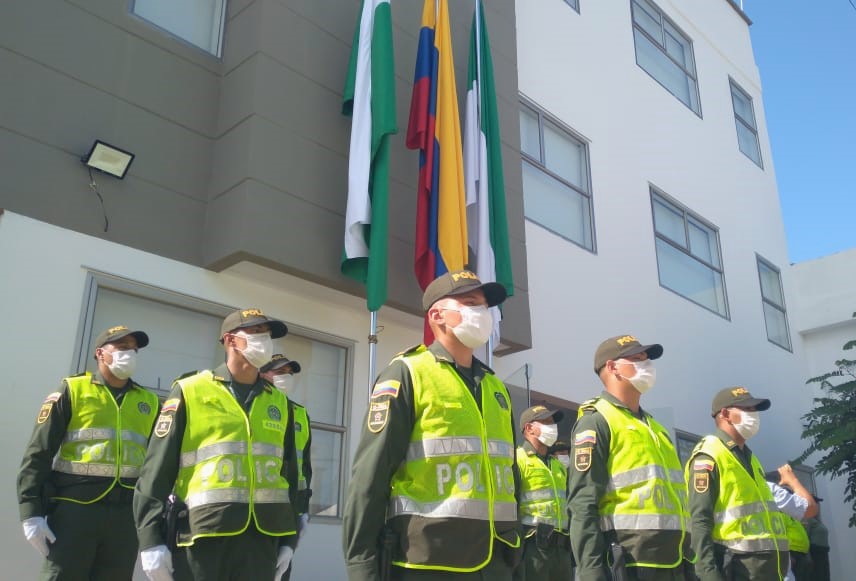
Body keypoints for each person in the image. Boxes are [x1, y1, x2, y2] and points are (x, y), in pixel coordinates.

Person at [342, 269, 521, 580]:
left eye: (484, 306)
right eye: (470, 303)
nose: (482, 314)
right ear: (438, 315)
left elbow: (510, 478)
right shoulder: (407, 374)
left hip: (498, 562)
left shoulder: (496, 388)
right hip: (429, 561)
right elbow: (370, 476)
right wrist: (362, 565)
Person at [133, 308, 299, 581]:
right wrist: (150, 539)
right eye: (256, 333)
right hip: (204, 536)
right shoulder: (190, 390)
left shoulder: (279, 402)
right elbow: (155, 471)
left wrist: (289, 540)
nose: (265, 341)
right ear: (231, 340)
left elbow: (290, 475)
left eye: (268, 335)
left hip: (263, 539)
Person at [17, 325, 159, 580]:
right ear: (100, 354)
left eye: (134, 350)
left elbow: (157, 463)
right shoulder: (73, 390)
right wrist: (31, 512)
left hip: (125, 517)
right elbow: (38, 453)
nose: (131, 354)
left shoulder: (148, 401)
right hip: (75, 511)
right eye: (123, 348)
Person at [568, 335, 692, 580]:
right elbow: (583, 504)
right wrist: (591, 570)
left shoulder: (656, 428)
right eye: (636, 359)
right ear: (613, 367)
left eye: (647, 359)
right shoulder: (597, 421)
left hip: (676, 561)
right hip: (631, 562)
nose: (647, 365)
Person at [686, 387, 792, 580]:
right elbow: (700, 521)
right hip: (738, 570)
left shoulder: (750, 458)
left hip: (767, 572)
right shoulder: (709, 455)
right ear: (725, 414)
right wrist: (709, 575)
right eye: (747, 409)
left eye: (755, 410)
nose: (754, 415)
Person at [260, 353, 312, 580]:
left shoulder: (299, 413)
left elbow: (305, 466)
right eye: (279, 372)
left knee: (281, 572)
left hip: (290, 508)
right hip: (259, 508)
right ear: (262, 373)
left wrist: (304, 509)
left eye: (289, 373)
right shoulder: (251, 405)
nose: (286, 378)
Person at [515, 405, 573, 581]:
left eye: (553, 423)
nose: (552, 427)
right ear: (529, 428)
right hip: (533, 549)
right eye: (546, 422)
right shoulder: (518, 460)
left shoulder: (558, 466)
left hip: (561, 550)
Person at [803, 497, 829, 581]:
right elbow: (805, 537)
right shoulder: (808, 519)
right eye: (815, 503)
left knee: (825, 576)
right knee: (818, 577)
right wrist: (808, 556)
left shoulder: (817, 520)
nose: (818, 505)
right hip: (815, 552)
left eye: (817, 503)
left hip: (823, 552)